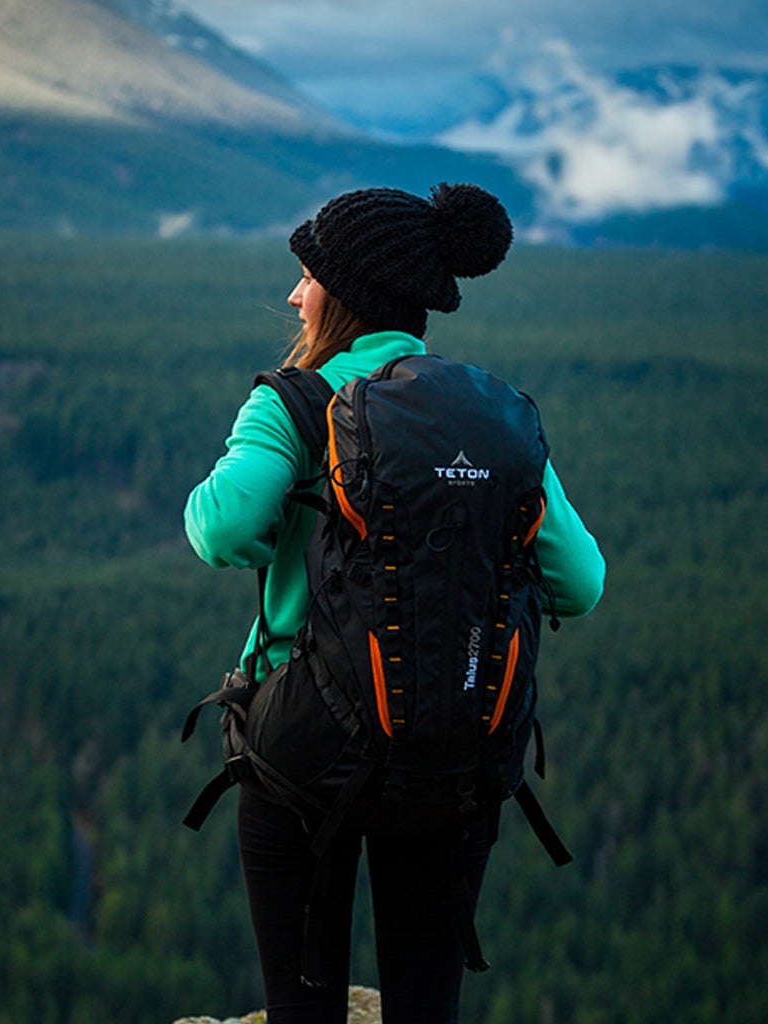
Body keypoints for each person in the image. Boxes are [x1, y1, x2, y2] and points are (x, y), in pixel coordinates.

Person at [184, 182, 605, 1024]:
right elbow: (580, 584)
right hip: (455, 749)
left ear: (342, 292)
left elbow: (221, 529)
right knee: (426, 1004)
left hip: (303, 751)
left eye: (306, 276)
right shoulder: (488, 416)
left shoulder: (297, 401)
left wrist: (296, 533)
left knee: (304, 1006)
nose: (297, 294)